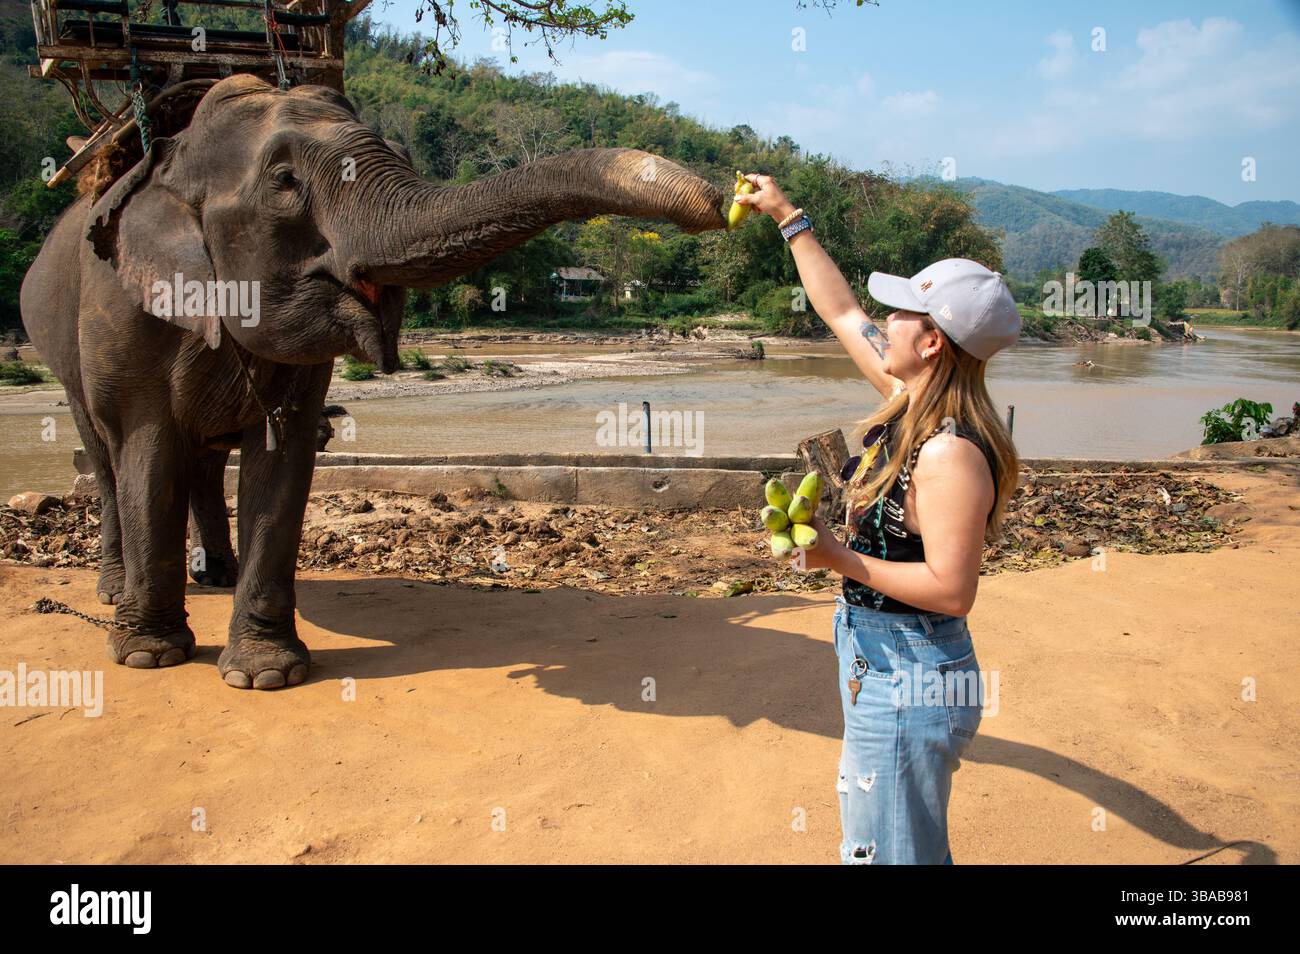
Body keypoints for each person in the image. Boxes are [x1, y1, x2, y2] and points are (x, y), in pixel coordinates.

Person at [735, 175, 1022, 864]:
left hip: (914, 669)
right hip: (879, 656)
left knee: (890, 853)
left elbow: (953, 591)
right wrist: (786, 217)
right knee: (877, 842)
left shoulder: (949, 452)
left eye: (900, 313)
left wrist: (835, 555)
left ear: (933, 344)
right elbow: (839, 312)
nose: (882, 320)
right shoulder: (905, 398)